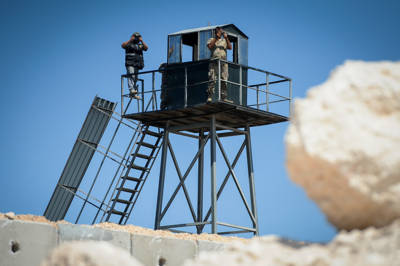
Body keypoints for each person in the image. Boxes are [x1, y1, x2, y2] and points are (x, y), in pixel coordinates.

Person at [207, 27, 232, 103]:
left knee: (224, 79)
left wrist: (226, 38)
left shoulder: (224, 40)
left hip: (223, 63)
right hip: (214, 62)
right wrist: (216, 38)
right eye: (218, 31)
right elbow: (210, 46)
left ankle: (223, 97)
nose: (220, 33)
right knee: (212, 79)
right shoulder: (211, 39)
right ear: (215, 32)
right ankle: (210, 96)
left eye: (221, 31)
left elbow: (230, 47)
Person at [121, 32, 149, 99]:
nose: (136, 38)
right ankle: (131, 90)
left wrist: (142, 40)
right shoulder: (129, 44)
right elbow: (123, 45)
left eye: (138, 37)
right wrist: (130, 39)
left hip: (137, 64)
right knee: (131, 75)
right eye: (136, 37)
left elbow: (146, 48)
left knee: (135, 78)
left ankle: (133, 93)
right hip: (130, 62)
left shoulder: (139, 45)